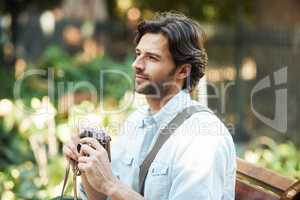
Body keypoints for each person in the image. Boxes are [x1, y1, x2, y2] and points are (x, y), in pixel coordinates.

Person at [63, 12, 236, 200]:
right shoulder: (136, 121)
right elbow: (101, 197)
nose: (136, 64)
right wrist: (87, 163)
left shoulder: (203, 137)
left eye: (152, 58)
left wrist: (111, 185)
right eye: (138, 54)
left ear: (182, 70)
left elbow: (111, 187)